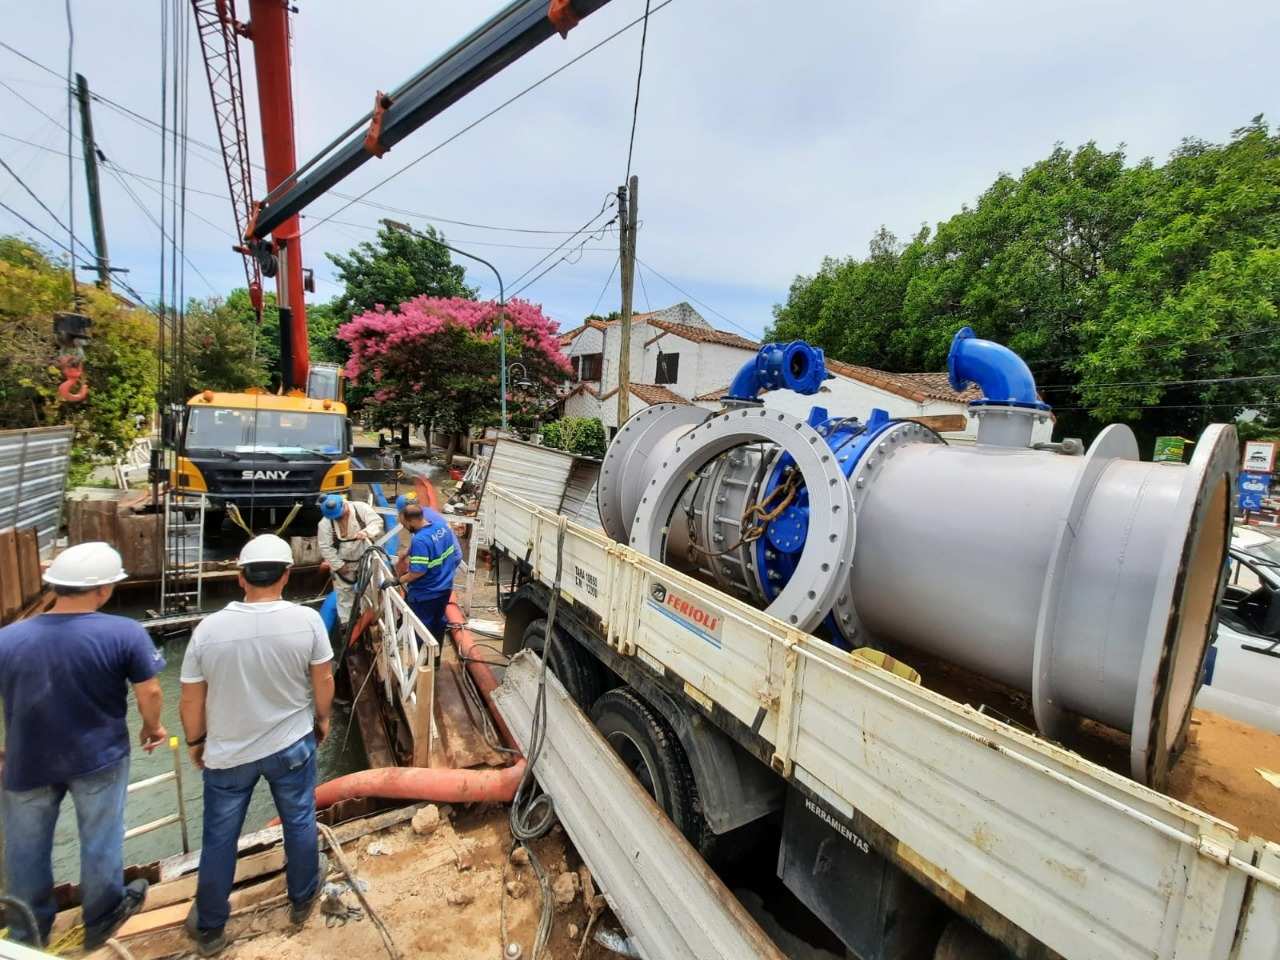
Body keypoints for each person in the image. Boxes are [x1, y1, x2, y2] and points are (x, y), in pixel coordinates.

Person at [0, 542, 165, 948]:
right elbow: (151, 691)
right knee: (101, 839)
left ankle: (25, 933)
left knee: (25, 849)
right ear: (103, 590)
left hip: (27, 761)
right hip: (100, 758)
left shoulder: (7, 638)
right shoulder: (123, 632)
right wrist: (152, 728)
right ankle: (101, 918)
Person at [179, 534, 335, 957]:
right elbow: (323, 680)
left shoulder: (208, 631)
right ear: (286, 575)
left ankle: (210, 926)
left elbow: (191, 698)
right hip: (291, 744)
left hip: (228, 753)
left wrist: (196, 741)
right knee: (299, 820)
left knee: (219, 837)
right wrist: (322, 719)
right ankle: (302, 898)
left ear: (240, 578)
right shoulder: (308, 622)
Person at [384, 502, 461, 641]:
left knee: (420, 630)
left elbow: (417, 572)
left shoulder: (420, 540)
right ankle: (436, 659)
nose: (405, 528)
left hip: (426, 594)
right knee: (438, 624)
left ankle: (422, 660)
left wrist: (397, 580)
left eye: (405, 524)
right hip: (445, 588)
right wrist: (407, 552)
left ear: (411, 520)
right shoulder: (441, 527)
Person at [316, 493, 383, 627]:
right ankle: (346, 625)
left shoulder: (360, 509)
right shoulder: (325, 523)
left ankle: (367, 619)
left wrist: (367, 532)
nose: (339, 518)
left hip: (365, 559)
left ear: (344, 504)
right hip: (344, 563)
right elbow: (325, 546)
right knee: (344, 593)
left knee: (369, 590)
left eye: (340, 515)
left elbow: (377, 522)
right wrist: (338, 565)